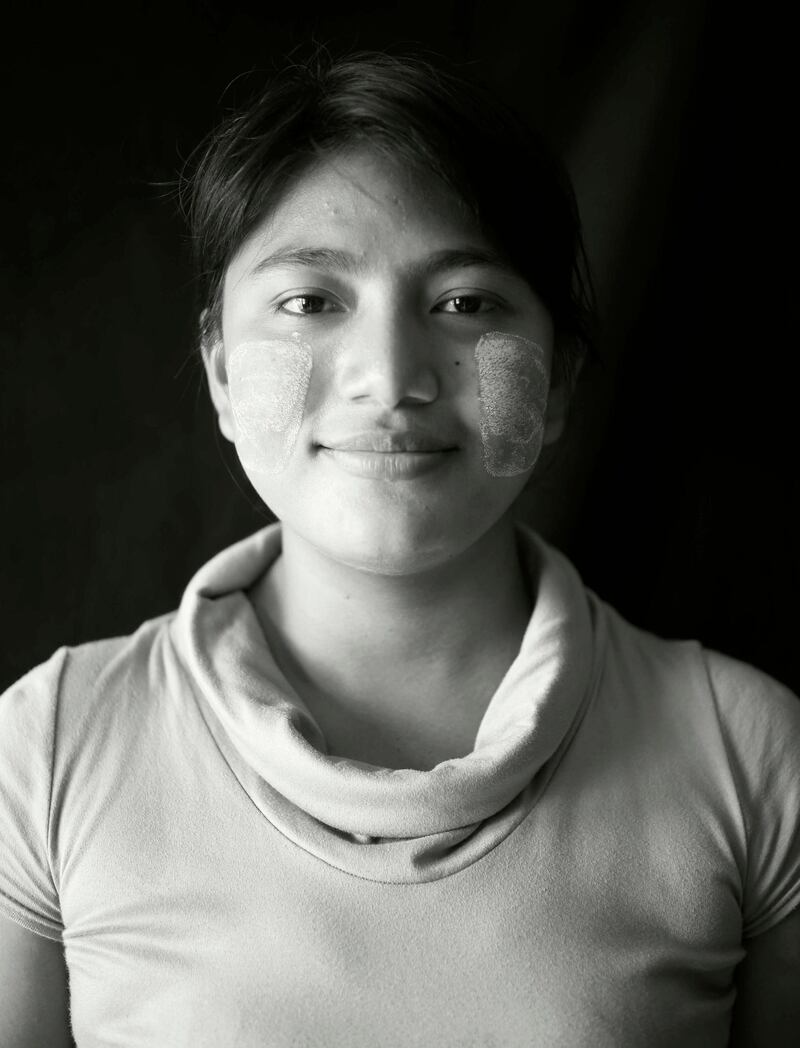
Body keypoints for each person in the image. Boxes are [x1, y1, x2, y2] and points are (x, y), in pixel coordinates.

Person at [0, 50, 798, 1048]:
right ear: (217, 374)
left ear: (554, 382)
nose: (389, 376)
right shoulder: (47, 750)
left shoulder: (752, 753)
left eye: (463, 302)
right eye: (310, 301)